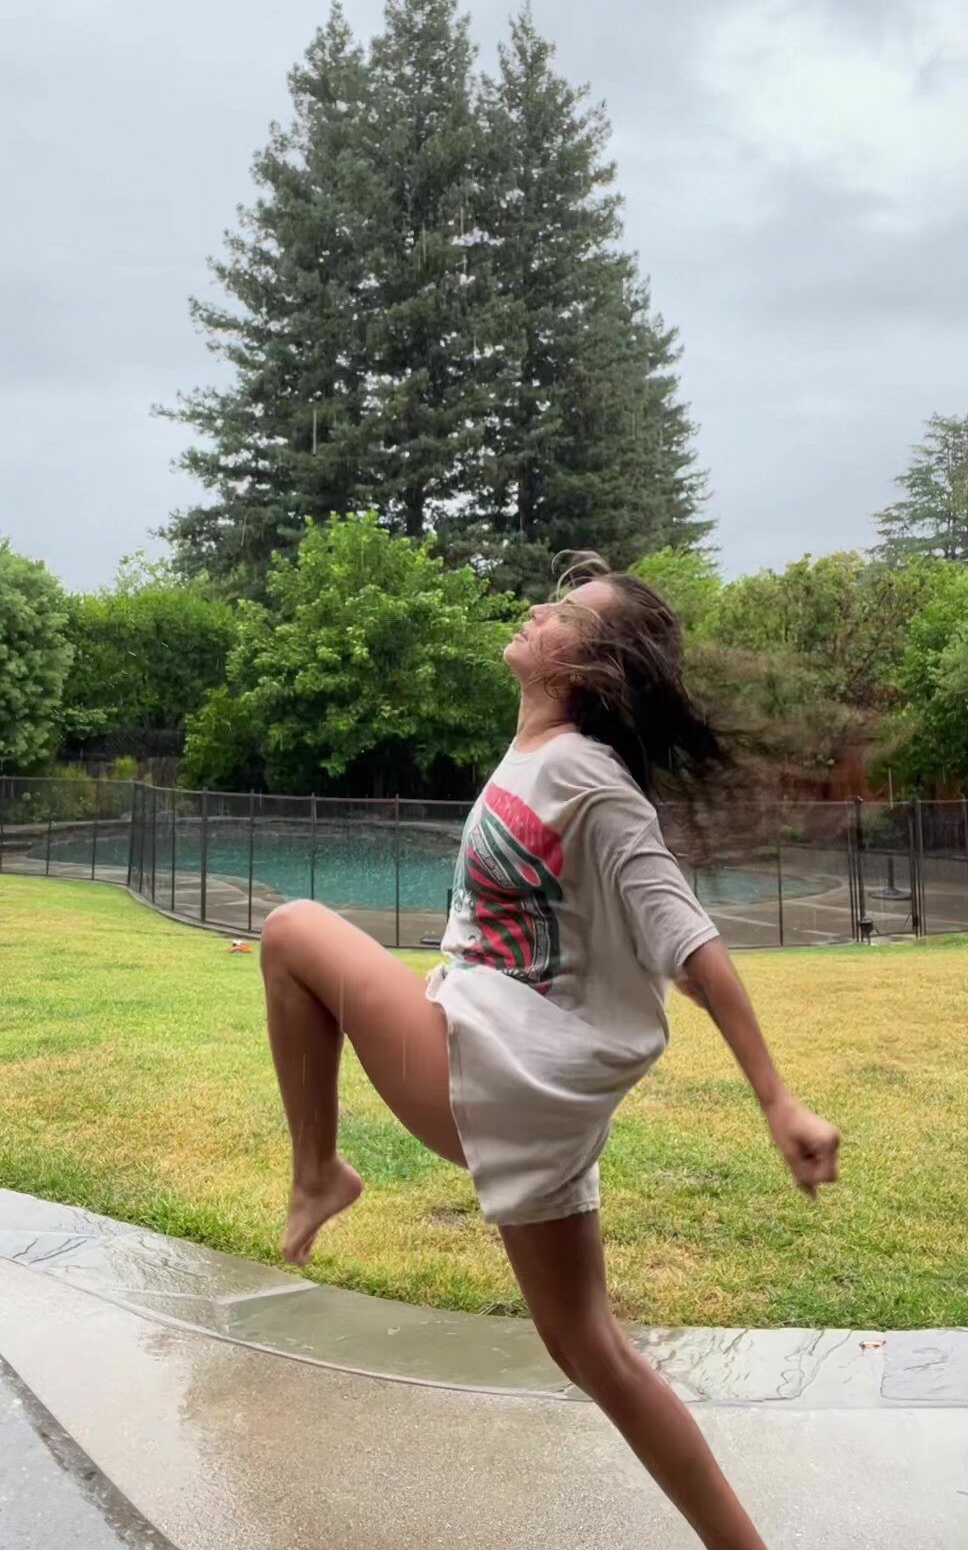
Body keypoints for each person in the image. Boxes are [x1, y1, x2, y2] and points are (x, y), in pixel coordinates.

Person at [259, 550, 841, 1550]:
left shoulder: (586, 777)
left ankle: (319, 1172)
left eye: (566, 610)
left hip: (489, 1071)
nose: (538, 609)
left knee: (292, 930)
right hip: (526, 1091)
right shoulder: (547, 757)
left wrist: (777, 1098)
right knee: (592, 1350)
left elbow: (688, 941)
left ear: (590, 667)